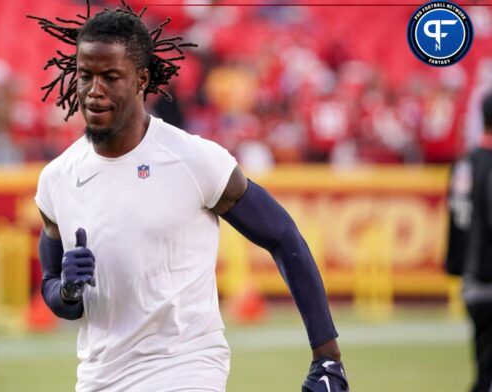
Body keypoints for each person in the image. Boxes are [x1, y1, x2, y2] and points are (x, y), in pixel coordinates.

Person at [29, 3, 347, 391]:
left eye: (111, 77)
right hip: (99, 377)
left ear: (141, 79)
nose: (94, 91)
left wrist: (327, 355)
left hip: (187, 369)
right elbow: (56, 291)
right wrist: (66, 290)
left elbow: (282, 235)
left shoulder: (194, 159)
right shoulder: (57, 179)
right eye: (85, 76)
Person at [446, 92, 492, 392]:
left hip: (472, 279)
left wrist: (460, 267)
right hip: (489, 274)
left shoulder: (464, 162)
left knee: (484, 366)